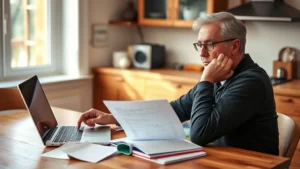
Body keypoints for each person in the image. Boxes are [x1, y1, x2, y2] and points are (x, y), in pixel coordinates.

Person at [77, 12, 279, 155]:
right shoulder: (221, 77)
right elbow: (171, 111)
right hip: (221, 161)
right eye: (199, 45)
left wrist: (206, 80)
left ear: (234, 46)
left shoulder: (251, 82)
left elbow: (200, 134)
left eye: (209, 44)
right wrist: (112, 118)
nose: (201, 53)